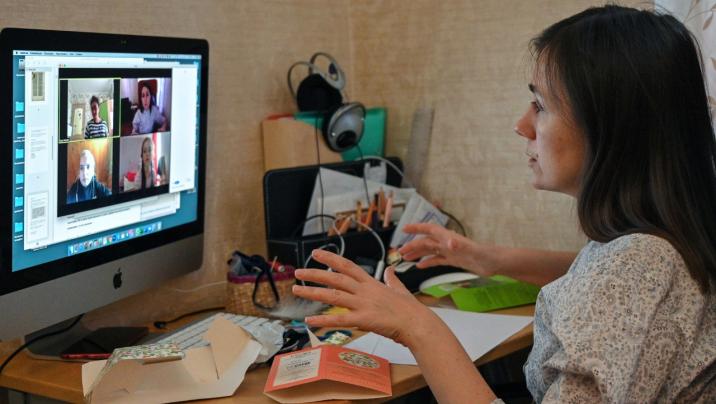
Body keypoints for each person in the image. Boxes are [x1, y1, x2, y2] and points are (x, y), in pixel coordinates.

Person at [292, 5, 716, 403]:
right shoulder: (656, 247)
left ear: (610, 126)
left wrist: (415, 326)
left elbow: (619, 284)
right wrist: (483, 258)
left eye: (541, 106)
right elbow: (596, 273)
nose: (521, 125)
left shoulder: (639, 265)